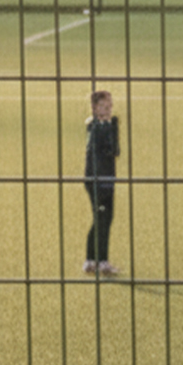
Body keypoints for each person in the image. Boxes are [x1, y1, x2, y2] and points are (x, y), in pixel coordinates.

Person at [82, 89, 121, 276]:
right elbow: (104, 151)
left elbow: (116, 151)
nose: (108, 109)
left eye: (110, 105)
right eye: (104, 106)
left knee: (102, 219)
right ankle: (101, 262)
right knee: (103, 219)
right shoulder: (95, 127)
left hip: (106, 179)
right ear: (95, 108)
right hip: (98, 181)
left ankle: (91, 261)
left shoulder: (107, 125)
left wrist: (113, 129)